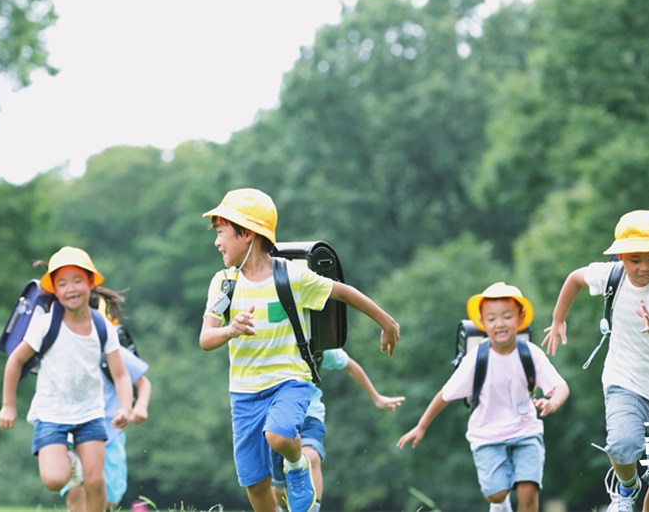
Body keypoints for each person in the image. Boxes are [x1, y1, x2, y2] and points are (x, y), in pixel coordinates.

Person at [199, 188, 400, 512]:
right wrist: (229, 329)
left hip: (290, 380)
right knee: (255, 483)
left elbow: (344, 293)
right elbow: (205, 340)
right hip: (243, 392)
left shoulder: (291, 276)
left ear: (246, 234)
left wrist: (386, 322)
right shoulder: (224, 283)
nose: (217, 242)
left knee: (279, 436)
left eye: (221, 232)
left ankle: (297, 465)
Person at [542, 210, 649, 512]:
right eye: (634, 260)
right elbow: (575, 278)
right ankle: (626, 488)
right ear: (621, 257)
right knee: (623, 445)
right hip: (624, 380)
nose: (645, 268)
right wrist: (558, 318)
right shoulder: (610, 275)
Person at [398, 282, 569, 512]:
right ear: (482, 323)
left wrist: (553, 402)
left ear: (520, 319)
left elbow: (560, 386)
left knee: (528, 490)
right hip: (487, 433)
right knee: (496, 494)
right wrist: (421, 426)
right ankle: (501, 505)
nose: (499, 323)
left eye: (507, 316)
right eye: (491, 318)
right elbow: (445, 395)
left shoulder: (530, 353)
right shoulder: (476, 358)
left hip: (525, 429)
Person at [0, 247, 133, 512]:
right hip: (51, 412)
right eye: (62, 283)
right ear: (55, 291)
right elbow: (15, 360)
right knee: (54, 480)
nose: (70, 288)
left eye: (77, 280)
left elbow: (121, 374)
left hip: (90, 412)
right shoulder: (46, 324)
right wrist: (8, 405)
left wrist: (125, 407)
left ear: (91, 284)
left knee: (95, 481)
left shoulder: (103, 326)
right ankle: (73, 465)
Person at [271, 348, 404, 512]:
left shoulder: (316, 345)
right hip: (276, 419)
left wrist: (377, 398)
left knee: (311, 457)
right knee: (279, 486)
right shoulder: (269, 343)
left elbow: (349, 365)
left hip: (309, 413)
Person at [64, 290, 153, 511]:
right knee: (75, 490)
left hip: (109, 434)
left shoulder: (111, 350)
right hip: (73, 431)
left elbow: (143, 383)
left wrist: (139, 406)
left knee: (109, 497)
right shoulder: (64, 348)